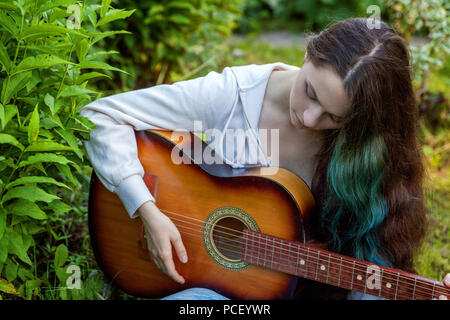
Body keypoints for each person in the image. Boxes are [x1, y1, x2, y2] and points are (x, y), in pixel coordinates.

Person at [80, 17, 449, 300]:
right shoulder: (232, 93)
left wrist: (421, 290)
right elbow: (99, 115)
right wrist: (146, 208)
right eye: (311, 93)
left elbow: (371, 262)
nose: (309, 119)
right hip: (217, 288)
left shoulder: (363, 149)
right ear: (308, 52)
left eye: (334, 118)